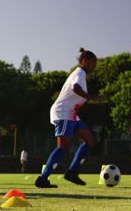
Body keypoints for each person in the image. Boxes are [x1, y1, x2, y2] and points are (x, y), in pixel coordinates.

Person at [35, 48, 102, 188]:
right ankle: (42, 179)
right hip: (63, 112)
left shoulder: (81, 74)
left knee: (90, 141)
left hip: (71, 113)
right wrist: (92, 98)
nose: (94, 67)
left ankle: (72, 172)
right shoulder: (80, 72)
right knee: (63, 147)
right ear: (84, 61)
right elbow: (75, 88)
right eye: (93, 63)